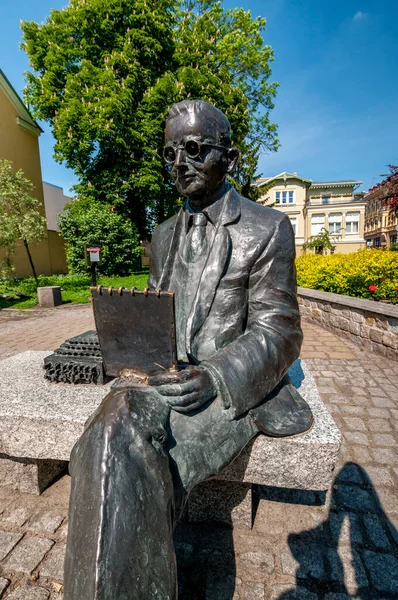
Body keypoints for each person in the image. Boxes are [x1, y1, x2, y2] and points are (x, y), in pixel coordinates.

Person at [64, 100, 313, 600]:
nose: (179, 162)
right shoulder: (162, 234)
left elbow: (281, 331)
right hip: (163, 376)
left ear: (231, 157)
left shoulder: (267, 229)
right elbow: (157, 313)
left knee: (124, 459)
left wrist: (216, 375)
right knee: (110, 427)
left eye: (194, 149)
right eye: (170, 152)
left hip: (229, 387)